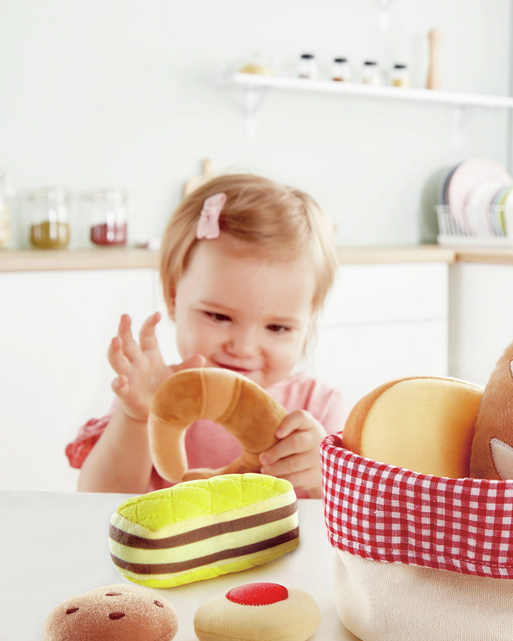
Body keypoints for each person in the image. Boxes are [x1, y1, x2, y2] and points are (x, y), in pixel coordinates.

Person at [66, 173, 343, 498]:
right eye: (219, 317)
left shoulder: (317, 410)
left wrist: (320, 478)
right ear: (173, 299)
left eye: (277, 328)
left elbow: (348, 524)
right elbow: (98, 502)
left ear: (307, 323)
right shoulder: (154, 396)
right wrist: (136, 419)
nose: (243, 347)